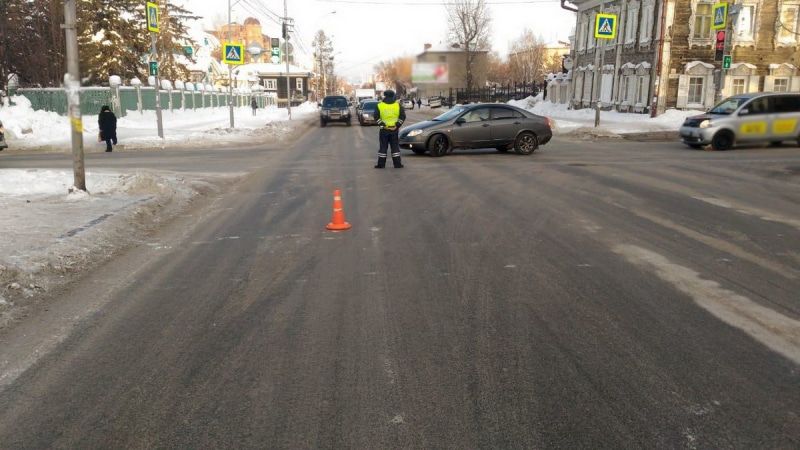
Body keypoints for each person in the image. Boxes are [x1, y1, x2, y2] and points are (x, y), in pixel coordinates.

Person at [373, 89, 406, 169]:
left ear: (385, 96)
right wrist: (397, 125)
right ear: (393, 96)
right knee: (395, 147)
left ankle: (381, 165)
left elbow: (376, 117)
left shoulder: (380, 105)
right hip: (394, 130)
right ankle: (397, 164)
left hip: (384, 130)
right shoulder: (398, 105)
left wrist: (382, 125)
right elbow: (402, 116)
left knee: (383, 147)